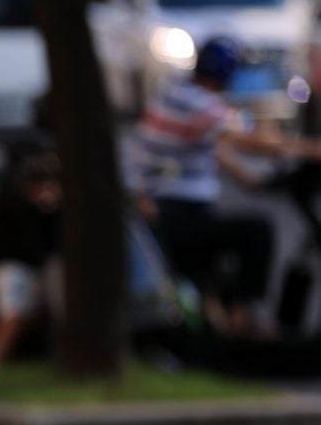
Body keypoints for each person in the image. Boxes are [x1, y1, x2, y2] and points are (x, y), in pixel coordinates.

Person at [131, 35, 321, 339]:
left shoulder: (173, 94)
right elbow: (248, 140)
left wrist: (249, 178)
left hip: (161, 211)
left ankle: (225, 313)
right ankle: (242, 319)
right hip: (177, 216)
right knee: (258, 230)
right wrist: (309, 150)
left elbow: (212, 146)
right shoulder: (199, 104)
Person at [0, 145, 63, 372]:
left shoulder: (54, 209)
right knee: (11, 319)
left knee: (62, 314)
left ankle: (61, 366)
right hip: (13, 267)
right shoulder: (10, 203)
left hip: (47, 269)